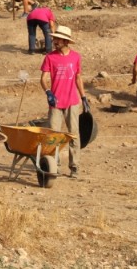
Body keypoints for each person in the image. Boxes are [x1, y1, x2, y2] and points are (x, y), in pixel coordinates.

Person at [39, 25, 88, 178]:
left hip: (72, 101)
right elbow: (43, 79)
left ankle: (74, 167)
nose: (54, 41)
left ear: (65, 41)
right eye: (54, 38)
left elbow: (78, 78)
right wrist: (48, 92)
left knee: (74, 135)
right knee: (54, 135)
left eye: (57, 39)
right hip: (55, 102)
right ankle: (55, 165)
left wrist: (84, 97)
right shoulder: (50, 57)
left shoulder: (76, 57)